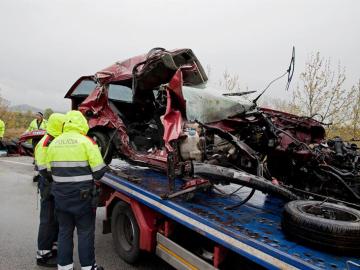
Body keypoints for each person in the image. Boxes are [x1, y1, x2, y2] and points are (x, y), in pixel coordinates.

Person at [46, 110, 108, 270]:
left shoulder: (54, 143)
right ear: (82, 124)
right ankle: (88, 267)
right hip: (83, 197)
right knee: (85, 232)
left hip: (60, 196)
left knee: (64, 232)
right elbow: (99, 172)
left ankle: (64, 266)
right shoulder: (87, 142)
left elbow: (48, 172)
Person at [35, 113, 65, 267]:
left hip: (52, 184)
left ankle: (52, 248)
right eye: (63, 124)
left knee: (55, 219)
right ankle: (43, 255)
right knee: (47, 220)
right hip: (48, 185)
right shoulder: (46, 142)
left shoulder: (54, 140)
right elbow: (43, 168)